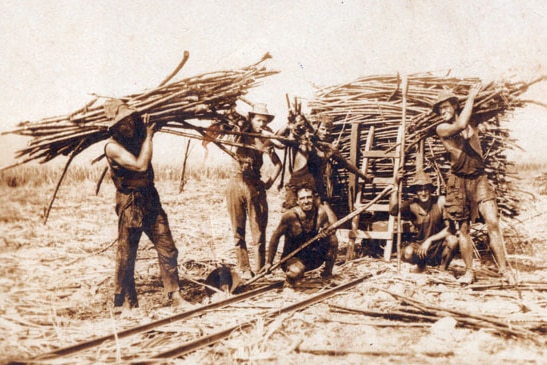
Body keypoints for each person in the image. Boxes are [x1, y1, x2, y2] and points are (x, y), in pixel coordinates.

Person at [103, 99, 189, 310]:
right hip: (131, 203)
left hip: (150, 198)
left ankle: (175, 295)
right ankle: (124, 301)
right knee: (127, 253)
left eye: (131, 120)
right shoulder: (112, 147)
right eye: (123, 123)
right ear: (115, 127)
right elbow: (141, 165)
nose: (129, 125)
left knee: (168, 247)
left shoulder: (137, 135)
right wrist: (149, 136)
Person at [433, 85, 514, 284]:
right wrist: (471, 96)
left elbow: (491, 109)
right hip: (459, 182)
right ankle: (469, 272)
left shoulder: (472, 120)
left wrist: (504, 94)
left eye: (446, 107)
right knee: (463, 229)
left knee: (493, 223)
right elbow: (460, 126)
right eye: (440, 109)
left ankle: (504, 270)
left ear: (454, 106)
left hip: (479, 179)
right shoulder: (442, 128)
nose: (443, 112)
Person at [226, 103, 282, 280]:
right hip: (235, 184)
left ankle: (260, 268)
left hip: (255, 186)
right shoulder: (239, 134)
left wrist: (270, 182)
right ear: (250, 119)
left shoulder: (265, 140)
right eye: (258, 120)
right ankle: (244, 268)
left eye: (264, 121)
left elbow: (278, 163)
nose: (261, 124)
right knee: (238, 229)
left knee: (258, 229)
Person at [263, 184, 338, 286]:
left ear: (314, 198)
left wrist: (326, 232)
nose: (306, 201)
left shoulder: (321, 213)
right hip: (293, 258)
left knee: (333, 240)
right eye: (302, 198)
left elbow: (331, 230)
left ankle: (327, 273)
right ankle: (290, 280)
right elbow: (275, 238)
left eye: (309, 197)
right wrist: (269, 262)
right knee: (296, 272)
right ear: (297, 201)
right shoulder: (289, 216)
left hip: (313, 257)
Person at [388, 171, 458, 273]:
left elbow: (450, 229)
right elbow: (393, 211)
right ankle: (421, 266)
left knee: (453, 240)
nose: (423, 193)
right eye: (420, 190)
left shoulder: (440, 202)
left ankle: (443, 268)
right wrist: (395, 185)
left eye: (426, 189)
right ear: (416, 192)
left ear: (430, 190)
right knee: (407, 253)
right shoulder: (412, 205)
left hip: (439, 245)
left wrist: (430, 240)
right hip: (420, 247)